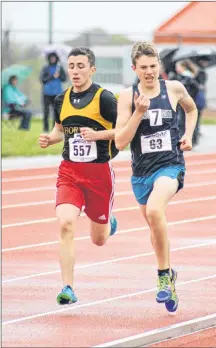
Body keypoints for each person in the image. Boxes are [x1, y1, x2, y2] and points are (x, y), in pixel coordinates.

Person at [115, 42, 198, 313]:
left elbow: (192, 109)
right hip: (141, 173)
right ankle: (170, 275)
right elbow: (119, 142)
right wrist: (139, 112)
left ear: (159, 65)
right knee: (154, 226)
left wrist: (188, 134)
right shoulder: (127, 97)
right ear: (134, 69)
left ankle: (162, 274)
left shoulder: (173, 88)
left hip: (170, 165)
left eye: (153, 66)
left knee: (154, 210)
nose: (149, 72)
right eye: (144, 67)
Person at [38, 47, 118, 305]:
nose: (75, 70)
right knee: (65, 224)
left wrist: (99, 136)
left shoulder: (104, 99)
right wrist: (50, 138)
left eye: (81, 66)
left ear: (92, 69)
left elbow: (125, 130)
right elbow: (61, 130)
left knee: (99, 240)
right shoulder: (61, 99)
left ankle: (109, 222)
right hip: (69, 172)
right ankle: (68, 288)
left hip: (98, 174)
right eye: (71, 66)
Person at [40, 52, 67, 132]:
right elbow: (42, 80)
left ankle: (55, 128)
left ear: (56, 58)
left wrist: (60, 75)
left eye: (54, 57)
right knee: (46, 111)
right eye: (51, 57)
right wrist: (52, 77)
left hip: (57, 93)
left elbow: (64, 79)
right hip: (47, 93)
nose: (52, 59)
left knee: (56, 112)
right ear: (49, 58)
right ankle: (45, 128)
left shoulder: (60, 68)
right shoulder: (45, 68)